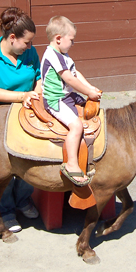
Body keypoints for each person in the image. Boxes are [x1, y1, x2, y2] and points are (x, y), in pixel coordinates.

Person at [0, 7, 41, 232]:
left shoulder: (30, 54)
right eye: (26, 43)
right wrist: (23, 96)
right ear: (12, 38)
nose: (30, 47)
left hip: (28, 114)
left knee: (30, 159)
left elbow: (39, 78)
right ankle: (6, 211)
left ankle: (23, 199)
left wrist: (38, 92)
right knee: (3, 169)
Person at [40, 16, 102, 186]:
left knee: (90, 110)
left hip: (67, 95)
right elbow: (70, 80)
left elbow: (76, 74)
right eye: (72, 40)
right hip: (55, 99)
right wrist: (88, 91)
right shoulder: (52, 56)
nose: (73, 44)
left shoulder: (63, 54)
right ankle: (71, 163)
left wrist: (91, 88)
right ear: (58, 38)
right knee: (76, 125)